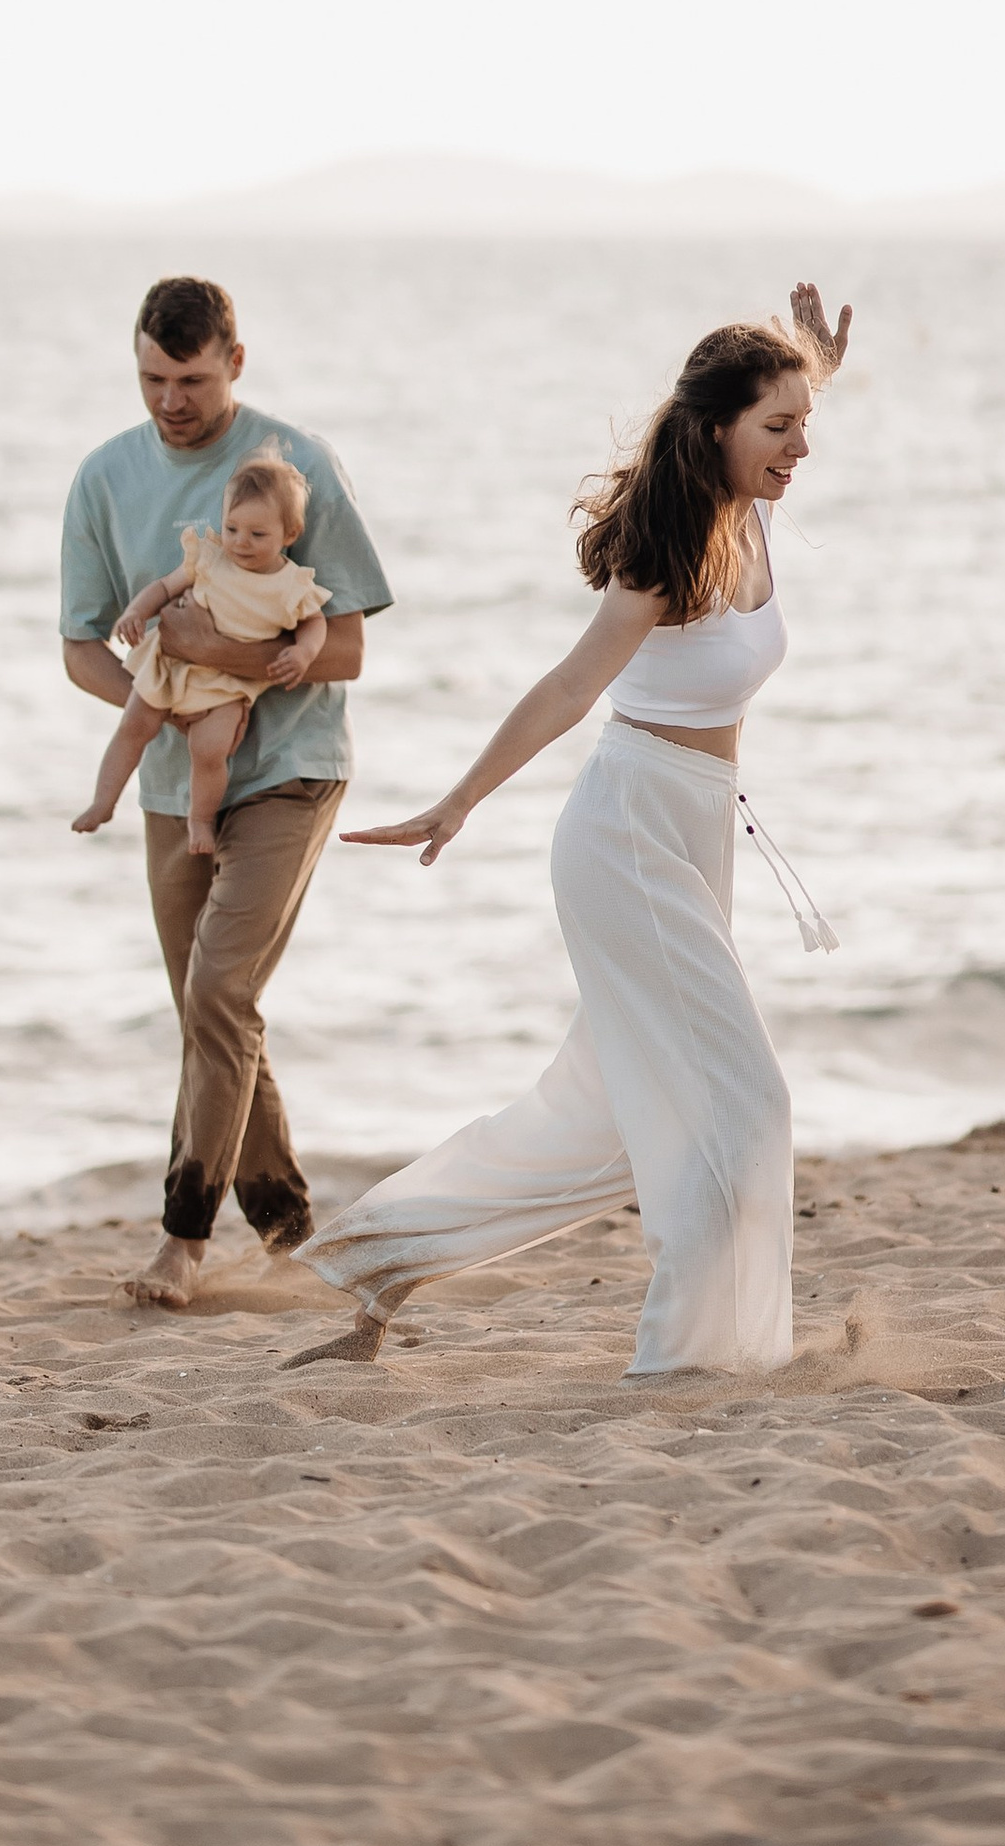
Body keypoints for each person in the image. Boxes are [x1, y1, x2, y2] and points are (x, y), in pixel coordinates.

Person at [293, 288, 848, 1378]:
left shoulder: (753, 503)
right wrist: (458, 799)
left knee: (598, 1121)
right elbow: (566, 688)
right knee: (745, 1102)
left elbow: (766, 400)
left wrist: (810, 365)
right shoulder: (666, 545)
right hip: (628, 834)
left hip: (694, 836)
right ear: (718, 432)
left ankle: (375, 1260)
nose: (800, 447)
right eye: (779, 427)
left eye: (803, 422)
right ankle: (689, 1364)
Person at [61, 275, 393, 1307]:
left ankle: (184, 1235)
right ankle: (292, 1226)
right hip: (172, 781)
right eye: (153, 377)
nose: (171, 399)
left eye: (192, 379)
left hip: (291, 772)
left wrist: (225, 669)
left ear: (234, 364)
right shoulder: (104, 478)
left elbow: (344, 647)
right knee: (211, 1009)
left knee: (217, 993)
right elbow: (81, 648)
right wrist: (160, 698)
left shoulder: (298, 468)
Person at [87, 451, 334, 859]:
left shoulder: (290, 584)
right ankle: (103, 800)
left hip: (228, 684)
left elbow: (314, 622)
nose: (240, 541)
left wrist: (304, 653)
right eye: (232, 527)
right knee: (133, 726)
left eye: (258, 534)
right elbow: (164, 589)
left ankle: (200, 818)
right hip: (171, 665)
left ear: (289, 534)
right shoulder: (210, 557)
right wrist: (135, 612)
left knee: (210, 749)